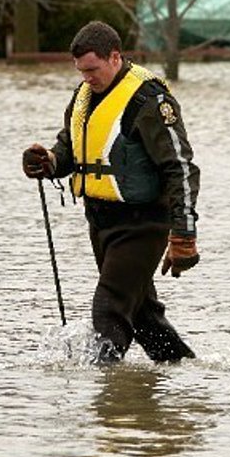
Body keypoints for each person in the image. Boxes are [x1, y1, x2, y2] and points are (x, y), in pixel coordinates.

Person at [22, 20, 201, 364]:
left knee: (109, 309)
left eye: (93, 69)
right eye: (81, 71)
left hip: (143, 223)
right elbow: (69, 149)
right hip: (101, 222)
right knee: (143, 317)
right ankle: (187, 372)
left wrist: (184, 234)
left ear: (115, 57)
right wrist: (48, 162)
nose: (87, 77)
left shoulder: (149, 100)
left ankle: (106, 391)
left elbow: (180, 167)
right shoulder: (83, 96)